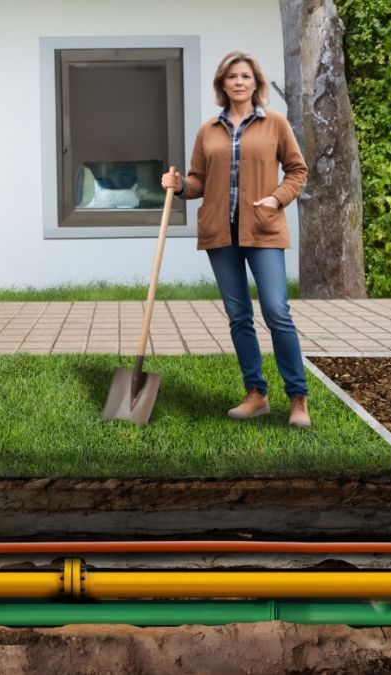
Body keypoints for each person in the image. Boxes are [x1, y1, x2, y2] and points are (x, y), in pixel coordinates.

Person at [161, 51, 311, 428]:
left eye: (245, 76)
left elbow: (297, 171)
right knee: (239, 316)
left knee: (277, 311)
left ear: (256, 83)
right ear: (222, 85)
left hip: (263, 229)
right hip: (220, 234)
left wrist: (276, 198)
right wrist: (179, 187)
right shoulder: (208, 130)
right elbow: (198, 181)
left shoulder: (276, 124)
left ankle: (297, 398)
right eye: (232, 77)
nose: (239, 82)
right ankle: (256, 394)